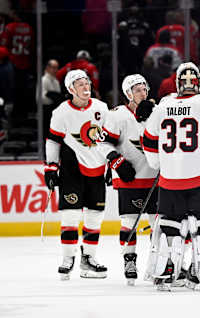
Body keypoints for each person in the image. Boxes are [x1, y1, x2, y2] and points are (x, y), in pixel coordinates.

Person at [142, 62, 200, 290]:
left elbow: (148, 139)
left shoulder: (163, 105)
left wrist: (159, 163)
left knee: (170, 223)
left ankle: (167, 268)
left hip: (169, 178)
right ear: (199, 83)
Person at [44, 70, 109, 280]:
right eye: (80, 84)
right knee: (70, 214)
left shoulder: (101, 108)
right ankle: (68, 258)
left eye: (87, 82)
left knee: (95, 216)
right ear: (71, 89)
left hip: (97, 168)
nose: (85, 86)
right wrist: (51, 167)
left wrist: (112, 165)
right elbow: (53, 140)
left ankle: (88, 258)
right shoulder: (62, 112)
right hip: (72, 168)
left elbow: (110, 139)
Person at [97, 74, 156, 285]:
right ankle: (129, 260)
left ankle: (157, 261)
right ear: (128, 94)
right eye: (138, 89)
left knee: (159, 223)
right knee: (129, 223)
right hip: (130, 178)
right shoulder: (117, 116)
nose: (143, 92)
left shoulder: (156, 112)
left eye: (144, 88)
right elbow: (102, 143)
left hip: (155, 177)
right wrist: (116, 161)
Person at [38, 59, 62, 141]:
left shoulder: (56, 81)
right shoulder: (43, 80)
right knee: (46, 133)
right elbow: (40, 98)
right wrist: (53, 98)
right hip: (46, 111)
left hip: (54, 111)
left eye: (57, 68)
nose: (55, 70)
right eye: (53, 67)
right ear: (48, 68)